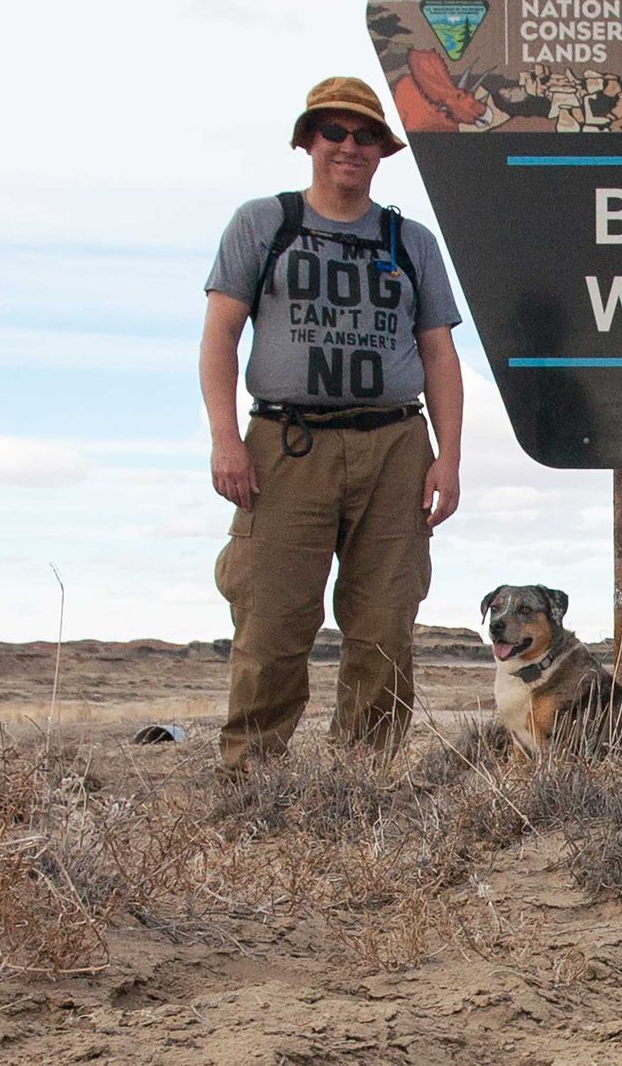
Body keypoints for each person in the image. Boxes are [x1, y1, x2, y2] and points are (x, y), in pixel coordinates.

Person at [200, 76, 464, 770]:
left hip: (395, 446)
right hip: (285, 446)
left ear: (382, 149)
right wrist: (226, 439)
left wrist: (449, 458)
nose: (349, 146)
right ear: (307, 141)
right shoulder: (264, 224)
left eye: (365, 135)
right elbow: (220, 335)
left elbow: (439, 352)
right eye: (334, 132)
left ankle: (363, 780)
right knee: (273, 621)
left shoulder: (412, 241)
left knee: (384, 625)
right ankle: (252, 781)